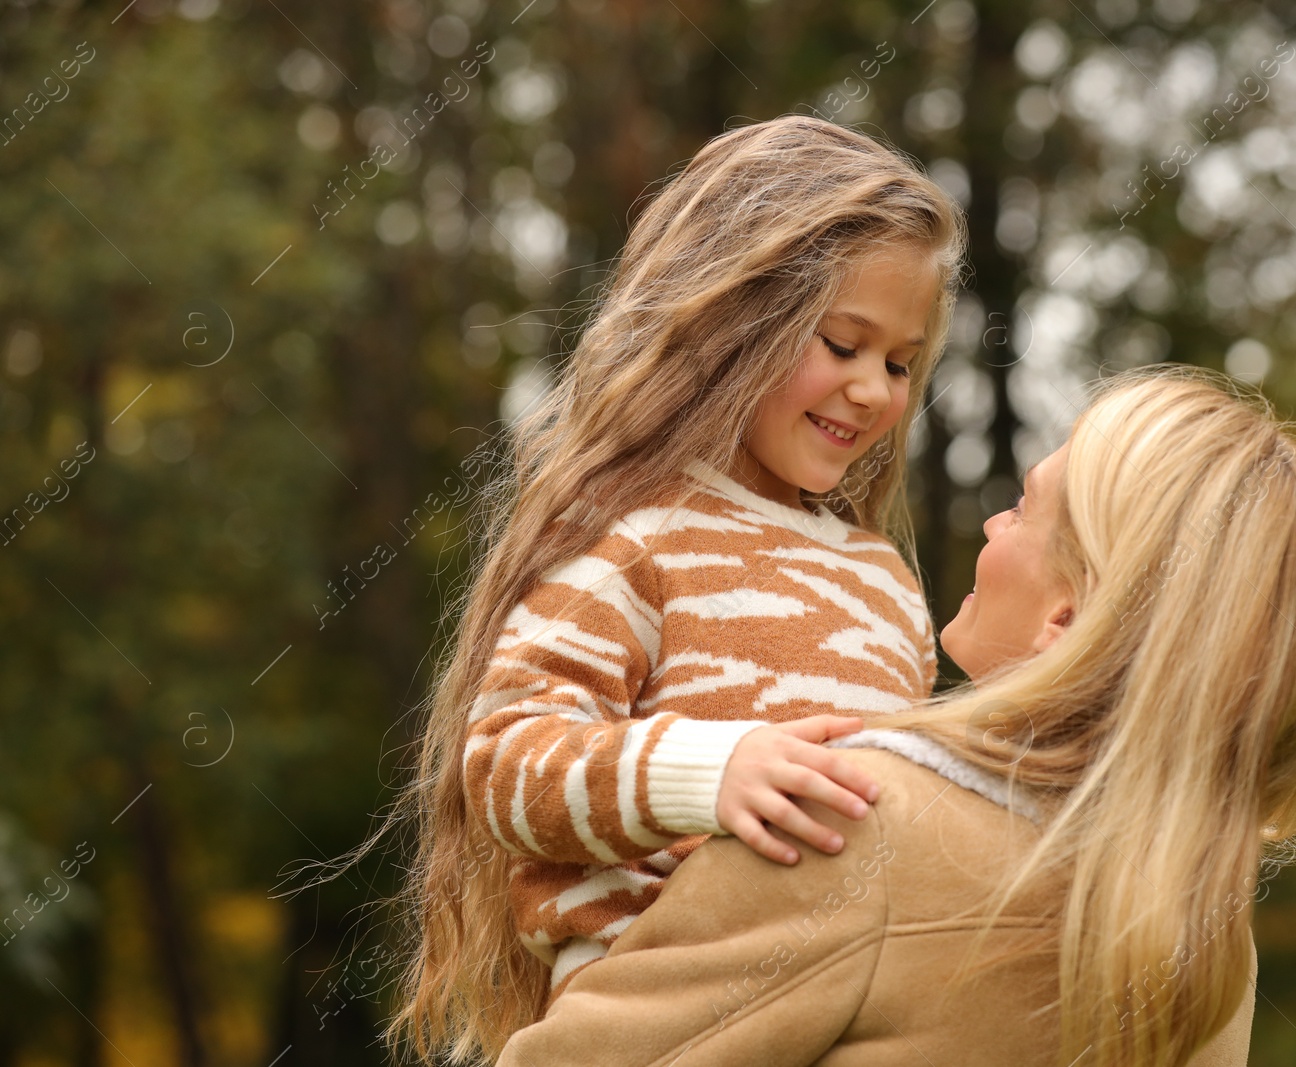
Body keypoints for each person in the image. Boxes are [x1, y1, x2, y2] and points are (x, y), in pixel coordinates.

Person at [496, 366, 1296, 1067]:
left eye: (1028, 507)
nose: (995, 523)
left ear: (1065, 622)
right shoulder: (1203, 927)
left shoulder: (858, 824)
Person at [381, 115, 969, 1064]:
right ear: (733, 318)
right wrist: (710, 771)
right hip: (646, 1017)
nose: (872, 390)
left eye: (899, 363)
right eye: (843, 343)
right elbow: (506, 763)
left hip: (835, 1018)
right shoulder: (632, 536)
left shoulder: (889, 586)